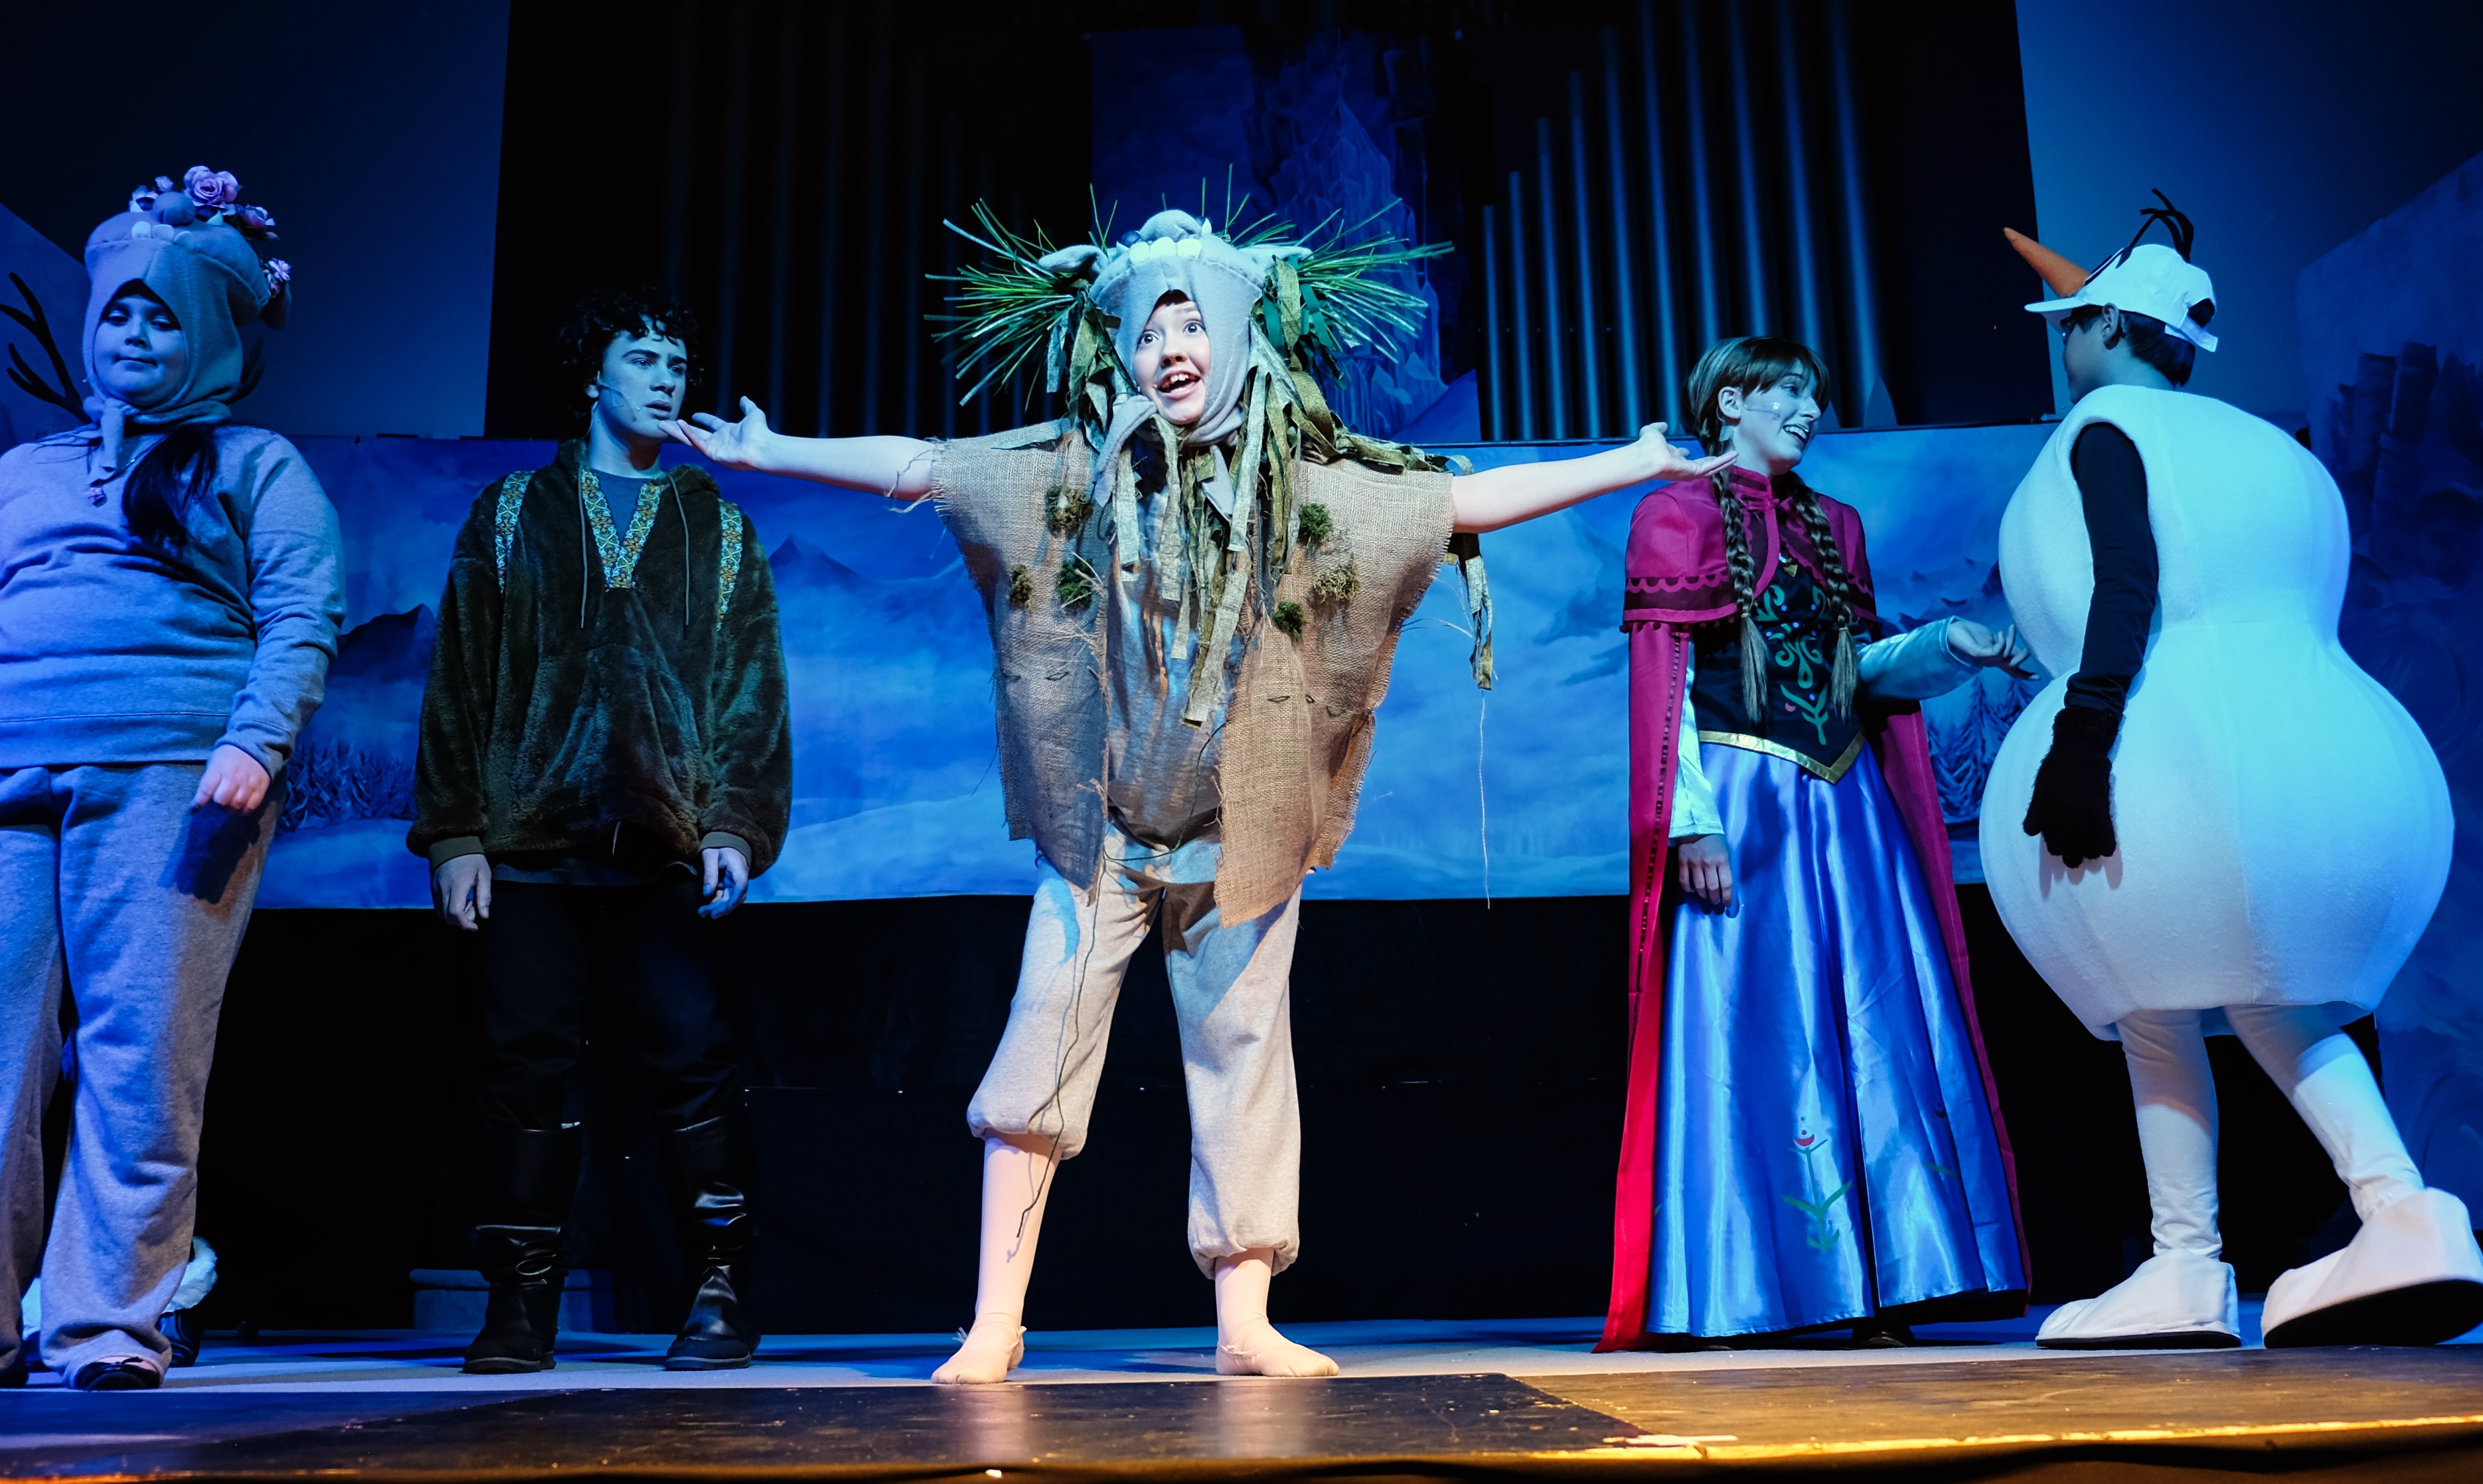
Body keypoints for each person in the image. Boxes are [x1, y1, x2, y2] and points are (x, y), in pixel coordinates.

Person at [674, 204, 1727, 1382]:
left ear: (1236, 333)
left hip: (1240, 837)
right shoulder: (1079, 473)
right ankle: (994, 1321)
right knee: (1037, 1051)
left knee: (1243, 1061)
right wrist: (772, 450)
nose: (1170, 350)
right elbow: (925, 467)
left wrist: (1636, 462)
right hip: (1102, 835)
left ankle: (1243, 1325)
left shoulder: (1309, 485)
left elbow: (1454, 501)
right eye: (1149, 332)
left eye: (1191, 327)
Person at [0, 170, 342, 1390]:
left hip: (173, 781)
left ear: (218, 337)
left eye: (163, 317)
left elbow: (303, 618)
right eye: (118, 312)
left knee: (141, 1053)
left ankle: (107, 1326)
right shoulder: (20, 476)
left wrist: (253, 742)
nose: (133, 334)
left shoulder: (255, 464)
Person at [1986, 201, 2480, 1348]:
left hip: (2177, 755)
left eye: (2075, 325)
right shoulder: (2269, 444)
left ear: (2113, 326)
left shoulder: (2104, 426)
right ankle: (2401, 1207)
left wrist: (2083, 740)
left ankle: (2187, 1259)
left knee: (2154, 1002)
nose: (2067, 347)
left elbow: (2126, 581)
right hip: (2344, 754)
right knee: (2271, 995)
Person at [1599, 336, 2030, 1351]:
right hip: (1745, 802)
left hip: (1845, 807)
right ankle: (1751, 1284)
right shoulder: (1675, 516)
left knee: (1867, 1024)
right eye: (1789, 390)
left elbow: (1854, 672)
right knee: (1762, 1026)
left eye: (1814, 393)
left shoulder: (1835, 524)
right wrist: (1691, 821)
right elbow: (1667, 691)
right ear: (1729, 401)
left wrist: (1946, 647)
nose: (1808, 409)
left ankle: (1882, 1280)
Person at [412, 289, 791, 1374]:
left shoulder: (718, 525)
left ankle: (720, 1289)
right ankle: (519, 1301)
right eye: (644, 357)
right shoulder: (509, 512)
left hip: (667, 843)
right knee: (523, 1066)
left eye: (679, 361)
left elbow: (751, 690)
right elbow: (460, 677)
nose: (668, 377)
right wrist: (456, 834)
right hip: (532, 843)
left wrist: (736, 823)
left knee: (695, 1062)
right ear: (593, 375)